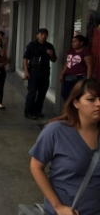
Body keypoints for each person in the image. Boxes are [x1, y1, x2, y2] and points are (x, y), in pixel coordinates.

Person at [29, 79, 100, 215]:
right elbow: (36, 167)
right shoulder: (55, 131)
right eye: (91, 99)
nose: (98, 104)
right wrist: (58, 206)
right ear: (76, 103)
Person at [23, 28, 57, 120]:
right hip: (34, 70)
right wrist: (26, 72)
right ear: (37, 35)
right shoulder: (32, 45)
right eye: (41, 34)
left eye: (45, 34)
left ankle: (38, 110)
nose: (43, 36)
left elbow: (54, 60)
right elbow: (25, 58)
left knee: (42, 93)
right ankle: (28, 111)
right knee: (32, 92)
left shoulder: (49, 46)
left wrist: (51, 54)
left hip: (45, 71)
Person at [59, 35, 93, 101]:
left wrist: (88, 79)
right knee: (65, 94)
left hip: (80, 77)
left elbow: (90, 66)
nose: (72, 43)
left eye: (75, 41)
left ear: (81, 42)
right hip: (68, 77)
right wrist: (62, 74)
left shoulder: (86, 52)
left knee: (78, 95)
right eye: (72, 42)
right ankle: (70, 108)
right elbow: (67, 63)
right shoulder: (70, 51)